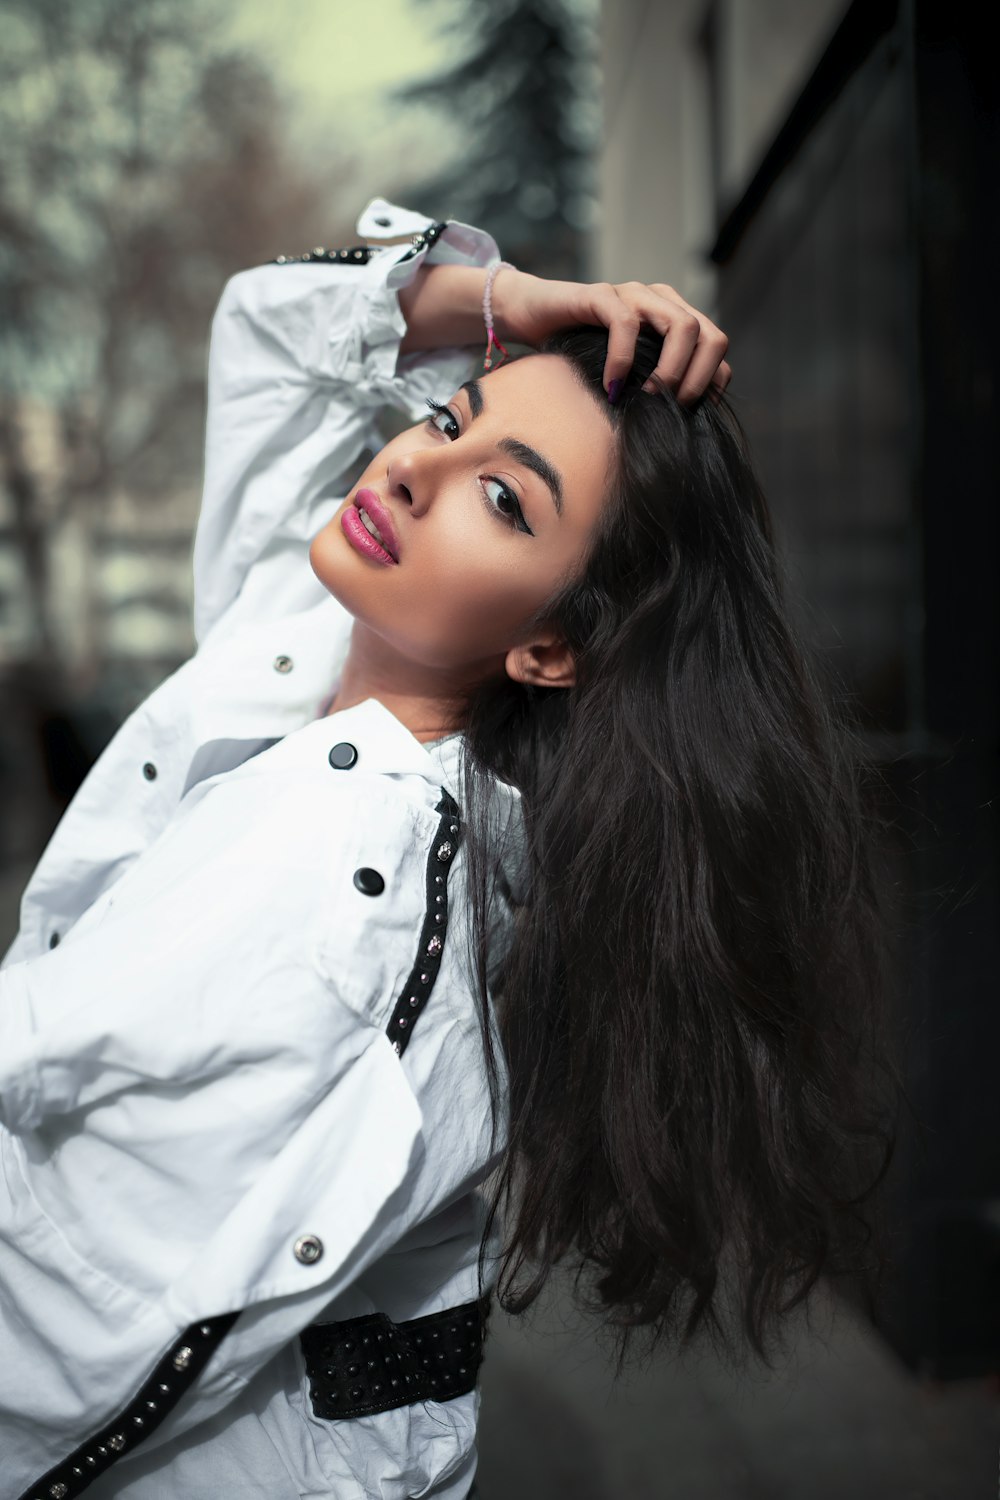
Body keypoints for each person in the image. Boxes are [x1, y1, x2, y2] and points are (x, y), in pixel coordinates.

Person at [0, 196, 898, 1499]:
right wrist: (519, 306)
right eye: (450, 418)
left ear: (549, 646)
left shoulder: (343, 891)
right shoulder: (306, 627)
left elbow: (67, 1333)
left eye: (500, 497)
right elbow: (272, 336)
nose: (410, 467)